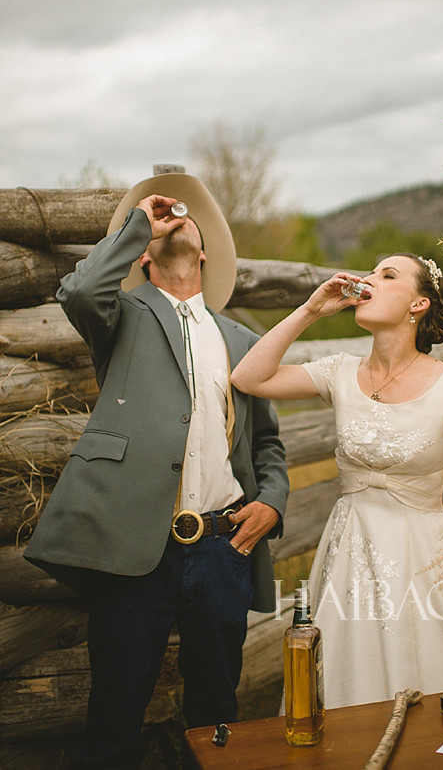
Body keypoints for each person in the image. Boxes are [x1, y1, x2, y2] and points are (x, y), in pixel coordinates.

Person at [24, 169, 289, 769]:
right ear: (143, 253)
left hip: (225, 550)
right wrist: (138, 225)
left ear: (206, 249)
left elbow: (268, 445)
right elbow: (78, 291)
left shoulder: (242, 339)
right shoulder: (119, 315)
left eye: (187, 218)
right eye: (165, 219)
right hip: (134, 549)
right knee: (115, 720)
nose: (179, 218)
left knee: (218, 716)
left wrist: (272, 501)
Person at [231, 253, 443, 709]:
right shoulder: (338, 371)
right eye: (371, 272)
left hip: (427, 560)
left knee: (438, 693)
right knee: (342, 692)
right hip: (349, 556)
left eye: (387, 275)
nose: (368, 280)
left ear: (418, 305)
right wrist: (310, 309)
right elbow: (247, 376)